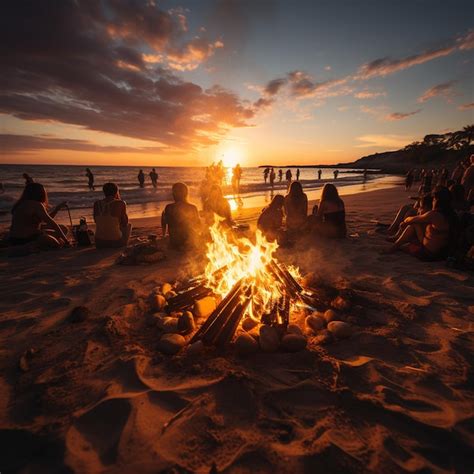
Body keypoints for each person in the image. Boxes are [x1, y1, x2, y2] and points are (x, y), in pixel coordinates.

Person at [386, 187, 457, 260]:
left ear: (436, 200)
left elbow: (412, 219)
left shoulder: (434, 215)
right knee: (416, 226)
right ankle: (397, 243)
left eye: (433, 200)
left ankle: (394, 247)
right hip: (442, 253)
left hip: (428, 253)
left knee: (410, 230)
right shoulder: (452, 214)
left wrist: (404, 222)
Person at [9, 182, 69, 248]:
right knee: (56, 244)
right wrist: (66, 240)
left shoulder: (20, 203)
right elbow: (52, 223)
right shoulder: (36, 204)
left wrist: (57, 209)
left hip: (13, 238)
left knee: (63, 228)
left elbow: (45, 219)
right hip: (28, 238)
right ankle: (33, 246)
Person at [162, 182, 201, 249]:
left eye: (173, 192)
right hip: (188, 241)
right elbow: (198, 225)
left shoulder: (169, 207)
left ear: (174, 194)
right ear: (186, 194)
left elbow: (166, 222)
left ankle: (164, 235)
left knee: (163, 214)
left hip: (174, 242)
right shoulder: (192, 207)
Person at [94, 182, 131, 248]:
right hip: (116, 243)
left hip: (99, 243)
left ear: (104, 192)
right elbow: (125, 223)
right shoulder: (120, 203)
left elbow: (96, 221)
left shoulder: (97, 203)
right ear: (116, 191)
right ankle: (121, 241)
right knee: (128, 226)